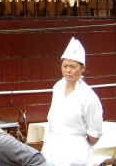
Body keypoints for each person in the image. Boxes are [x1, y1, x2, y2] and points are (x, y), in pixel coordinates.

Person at [41, 36, 103, 166]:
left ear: (82, 68)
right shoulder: (57, 87)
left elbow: (94, 135)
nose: (68, 70)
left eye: (73, 67)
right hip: (52, 152)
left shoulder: (89, 97)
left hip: (76, 156)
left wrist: (76, 142)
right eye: (65, 66)